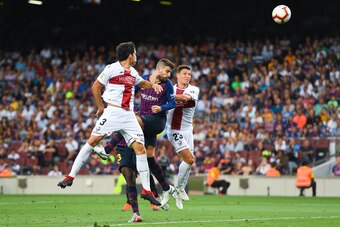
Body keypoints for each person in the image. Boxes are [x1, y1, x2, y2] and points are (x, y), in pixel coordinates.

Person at [57, 42, 162, 206]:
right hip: (112, 112)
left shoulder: (133, 72)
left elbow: (143, 84)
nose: (136, 56)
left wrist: (153, 85)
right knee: (92, 141)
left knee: (140, 149)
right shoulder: (111, 69)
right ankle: (70, 176)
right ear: (130, 55)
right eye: (135, 53)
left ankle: (147, 190)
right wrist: (100, 107)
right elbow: (95, 87)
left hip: (128, 115)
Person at [93, 58, 177, 208]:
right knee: (148, 159)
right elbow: (131, 93)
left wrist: (162, 107)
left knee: (130, 122)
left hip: (156, 121)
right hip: (143, 122)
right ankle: (163, 191)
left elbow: (173, 103)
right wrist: (125, 107)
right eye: (168, 71)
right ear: (159, 69)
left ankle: (107, 149)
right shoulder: (144, 79)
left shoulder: (167, 85)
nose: (169, 75)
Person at [166, 65, 200, 209]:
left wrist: (170, 97)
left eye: (189, 74)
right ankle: (179, 188)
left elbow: (187, 99)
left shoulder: (194, 89)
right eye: (185, 74)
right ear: (178, 75)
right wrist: (171, 96)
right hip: (174, 130)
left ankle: (177, 192)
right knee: (190, 159)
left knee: (189, 164)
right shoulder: (171, 88)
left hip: (188, 130)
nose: (187, 76)